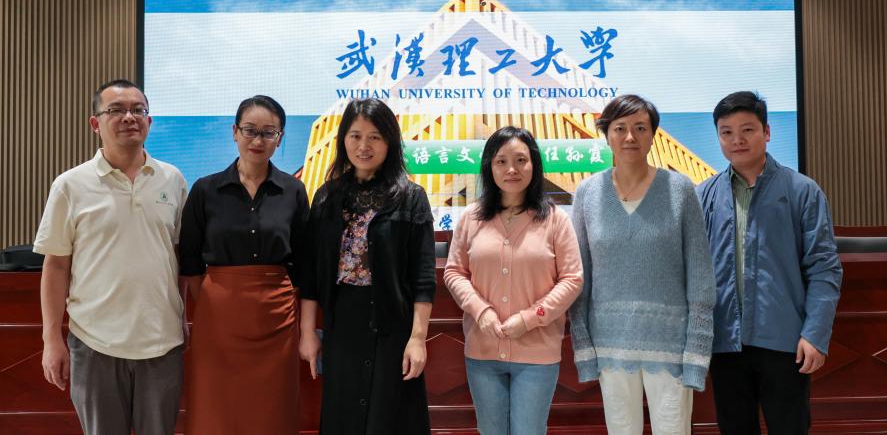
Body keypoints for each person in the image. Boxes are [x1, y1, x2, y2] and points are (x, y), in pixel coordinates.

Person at [34, 79, 187, 435]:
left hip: (162, 343)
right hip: (95, 344)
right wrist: (51, 339)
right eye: (116, 110)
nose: (129, 117)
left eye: (138, 110)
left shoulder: (173, 180)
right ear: (95, 123)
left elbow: (180, 258)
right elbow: (56, 266)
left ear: (149, 121)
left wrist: (182, 317)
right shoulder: (70, 185)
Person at [696, 91, 842, 435]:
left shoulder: (802, 191)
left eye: (747, 129)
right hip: (725, 342)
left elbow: (824, 268)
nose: (737, 140)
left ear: (767, 132)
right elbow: (693, 271)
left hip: (785, 342)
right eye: (726, 132)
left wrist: (815, 334)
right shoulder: (703, 195)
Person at [568, 94, 715, 435]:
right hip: (609, 346)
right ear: (607, 135)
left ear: (652, 136)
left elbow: (700, 275)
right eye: (620, 128)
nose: (630, 137)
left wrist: (696, 353)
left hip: (671, 347)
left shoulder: (680, 190)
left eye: (640, 128)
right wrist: (584, 349)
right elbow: (580, 276)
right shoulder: (587, 193)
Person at [300, 98, 436, 435]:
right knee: (344, 417)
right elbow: (311, 274)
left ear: (390, 142)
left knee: (390, 420)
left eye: (375, 137)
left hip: (394, 326)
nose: (364, 146)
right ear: (343, 140)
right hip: (342, 326)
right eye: (355, 136)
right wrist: (307, 333)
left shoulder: (410, 197)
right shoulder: (326, 197)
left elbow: (423, 277)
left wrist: (417, 338)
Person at [178, 95, 309, 434]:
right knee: (216, 406)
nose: (257, 140)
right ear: (234, 132)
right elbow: (190, 260)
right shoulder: (205, 189)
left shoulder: (293, 190)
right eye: (250, 130)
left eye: (268, 132)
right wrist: (214, 298)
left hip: (276, 316)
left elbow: (304, 259)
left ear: (280, 138)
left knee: (273, 408)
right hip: (218, 316)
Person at [444, 126, 583, 435]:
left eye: (521, 160)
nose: (511, 169)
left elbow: (572, 279)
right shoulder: (471, 218)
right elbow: (454, 272)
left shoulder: (556, 220)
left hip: (537, 354)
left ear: (534, 164)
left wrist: (531, 318)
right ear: (489, 166)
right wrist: (481, 311)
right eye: (501, 161)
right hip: (482, 352)